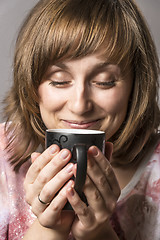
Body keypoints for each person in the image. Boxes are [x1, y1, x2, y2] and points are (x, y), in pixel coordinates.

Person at [0, 0, 160, 239]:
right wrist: (49, 228)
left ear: (136, 86)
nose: (79, 105)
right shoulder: (3, 151)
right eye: (59, 81)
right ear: (32, 85)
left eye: (104, 81)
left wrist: (97, 232)